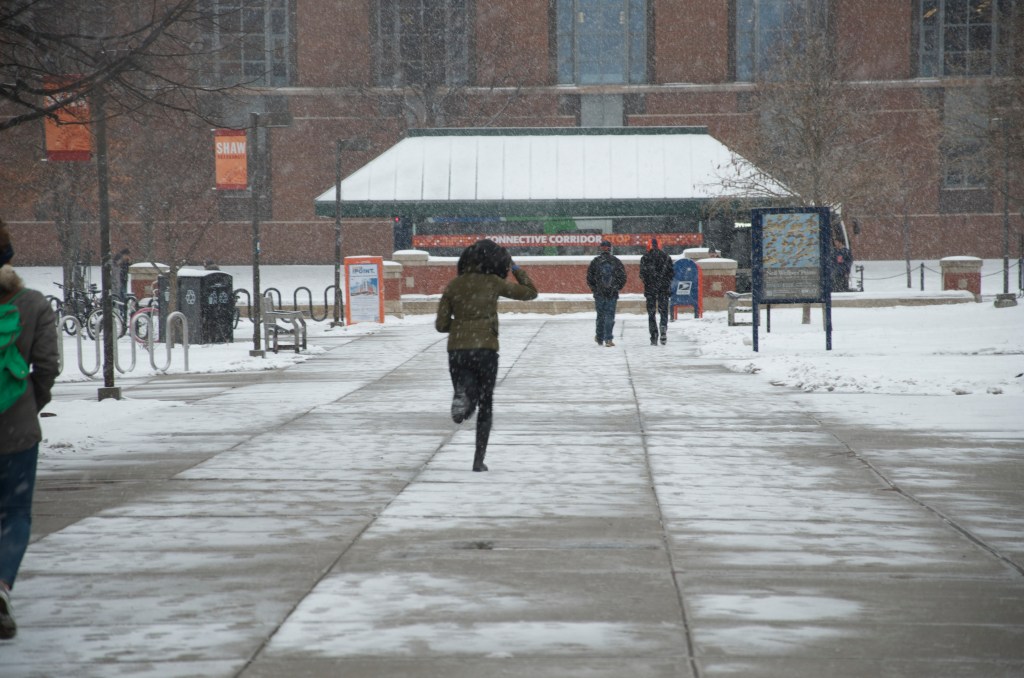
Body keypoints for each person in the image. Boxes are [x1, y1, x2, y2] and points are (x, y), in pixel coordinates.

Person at [0, 219, 59, 640]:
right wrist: (29, 404)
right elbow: (49, 366)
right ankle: (1, 585)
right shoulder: (32, 303)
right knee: (15, 512)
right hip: (16, 431)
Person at [435, 239, 537, 472]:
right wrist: (516, 268)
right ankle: (478, 460)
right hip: (486, 349)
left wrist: (462, 325)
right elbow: (531, 293)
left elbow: (441, 325)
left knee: (465, 396)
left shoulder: (454, 285)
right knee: (486, 404)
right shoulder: (493, 282)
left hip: (457, 350)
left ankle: (462, 395)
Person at [586, 239, 626, 347]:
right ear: (610, 249)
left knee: (600, 316)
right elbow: (623, 277)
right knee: (610, 316)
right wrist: (616, 288)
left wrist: (595, 289)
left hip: (599, 294)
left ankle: (599, 337)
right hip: (612, 293)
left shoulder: (595, 261)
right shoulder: (616, 261)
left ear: (601, 249)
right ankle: (608, 339)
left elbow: (589, 278)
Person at [639, 238, 674, 345]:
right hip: (663, 289)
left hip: (650, 289)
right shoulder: (667, 258)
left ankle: (653, 335)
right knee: (663, 311)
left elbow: (642, 275)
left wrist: (649, 281)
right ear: (660, 245)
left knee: (651, 313)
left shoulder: (645, 258)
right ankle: (663, 326)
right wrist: (664, 282)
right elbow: (671, 274)